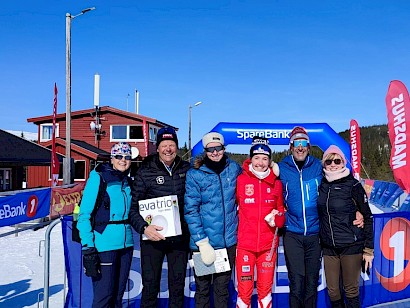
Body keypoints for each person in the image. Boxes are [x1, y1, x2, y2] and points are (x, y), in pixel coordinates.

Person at [278, 126, 364, 308]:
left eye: (304, 144)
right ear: (291, 146)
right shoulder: (281, 168)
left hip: (316, 233)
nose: (300, 147)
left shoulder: (319, 166)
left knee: (311, 282)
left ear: (309, 147)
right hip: (292, 232)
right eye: (296, 143)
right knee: (297, 281)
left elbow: (341, 184)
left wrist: (357, 208)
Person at [129, 126, 190, 308]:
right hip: (152, 238)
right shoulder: (145, 171)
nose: (168, 149)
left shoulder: (186, 169)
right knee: (150, 286)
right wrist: (144, 227)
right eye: (164, 145)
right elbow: (133, 209)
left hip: (179, 239)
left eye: (172, 144)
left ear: (177, 147)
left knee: (178, 287)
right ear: (158, 148)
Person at [184, 131, 242, 308]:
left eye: (218, 148)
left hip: (227, 243)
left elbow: (255, 172)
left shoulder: (233, 169)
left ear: (224, 149)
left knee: (222, 289)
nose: (215, 153)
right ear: (205, 151)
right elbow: (191, 210)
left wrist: (273, 169)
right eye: (210, 149)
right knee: (203, 289)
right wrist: (202, 242)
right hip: (205, 244)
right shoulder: (195, 174)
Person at [77, 142, 134, 308]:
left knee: (118, 297)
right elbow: (84, 215)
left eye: (127, 157)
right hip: (104, 246)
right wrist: (88, 247)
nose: (123, 160)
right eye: (119, 156)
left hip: (126, 245)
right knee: (104, 297)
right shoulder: (99, 177)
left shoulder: (127, 181)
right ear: (112, 158)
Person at [317, 145, 374, 308]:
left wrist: (369, 250)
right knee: (333, 291)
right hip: (329, 247)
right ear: (324, 164)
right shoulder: (322, 185)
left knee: (350, 290)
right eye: (329, 161)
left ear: (343, 162)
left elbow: (368, 216)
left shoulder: (353, 185)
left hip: (351, 245)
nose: (333, 164)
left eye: (337, 160)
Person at [236, 137, 285, 308]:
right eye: (256, 158)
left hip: (267, 247)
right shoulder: (241, 180)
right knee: (244, 292)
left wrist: (278, 218)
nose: (260, 163)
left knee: (265, 292)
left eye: (265, 159)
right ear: (251, 159)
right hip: (245, 246)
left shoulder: (276, 183)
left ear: (270, 161)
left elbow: (280, 208)